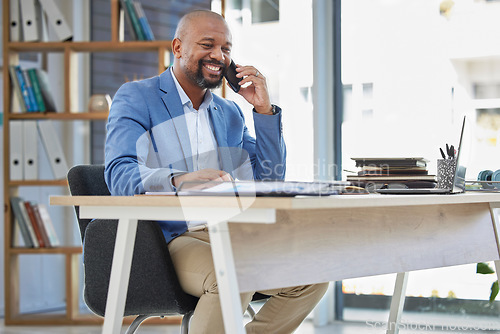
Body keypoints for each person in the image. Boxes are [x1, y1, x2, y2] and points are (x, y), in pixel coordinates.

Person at [104, 9, 329, 334]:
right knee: (233, 271)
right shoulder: (138, 97)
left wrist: (263, 111)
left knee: (313, 273)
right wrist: (178, 180)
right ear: (178, 47)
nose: (218, 56)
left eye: (225, 48)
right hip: (169, 238)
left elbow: (268, 179)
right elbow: (119, 175)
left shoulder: (230, 113)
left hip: (230, 233)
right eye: (207, 44)